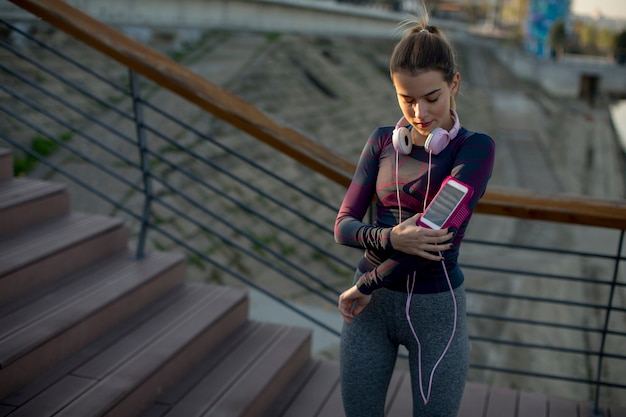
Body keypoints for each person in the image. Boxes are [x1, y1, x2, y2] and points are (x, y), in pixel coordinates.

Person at [334, 8, 495, 417]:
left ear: (454, 84)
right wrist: (389, 238)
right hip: (369, 312)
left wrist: (366, 283)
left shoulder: (475, 149)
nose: (420, 114)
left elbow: (434, 236)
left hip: (436, 311)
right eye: (407, 100)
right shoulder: (381, 142)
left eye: (431, 98)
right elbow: (344, 225)